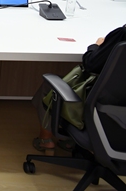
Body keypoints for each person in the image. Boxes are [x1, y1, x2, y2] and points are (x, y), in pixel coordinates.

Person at [32, 24, 126, 154]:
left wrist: (96, 46)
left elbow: (91, 64)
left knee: (50, 87)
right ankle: (70, 141)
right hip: (120, 111)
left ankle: (46, 140)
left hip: (102, 107)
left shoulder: (122, 34)